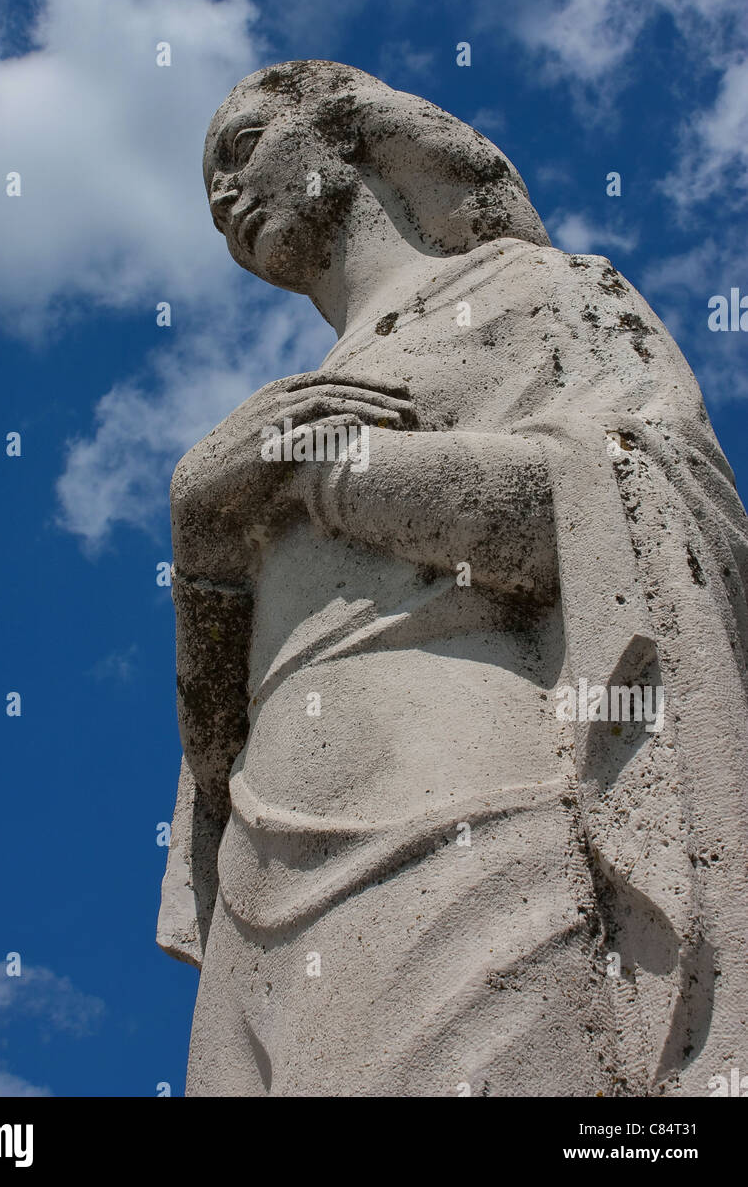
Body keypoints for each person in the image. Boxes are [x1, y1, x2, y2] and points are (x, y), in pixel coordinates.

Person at [158, 60, 748, 1097]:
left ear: (342, 131)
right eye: (208, 187)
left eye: (241, 147)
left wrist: (345, 474)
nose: (219, 199)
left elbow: (654, 503)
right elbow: (215, 741)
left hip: (463, 804)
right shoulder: (263, 418)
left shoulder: (547, 293)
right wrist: (200, 523)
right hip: (256, 859)